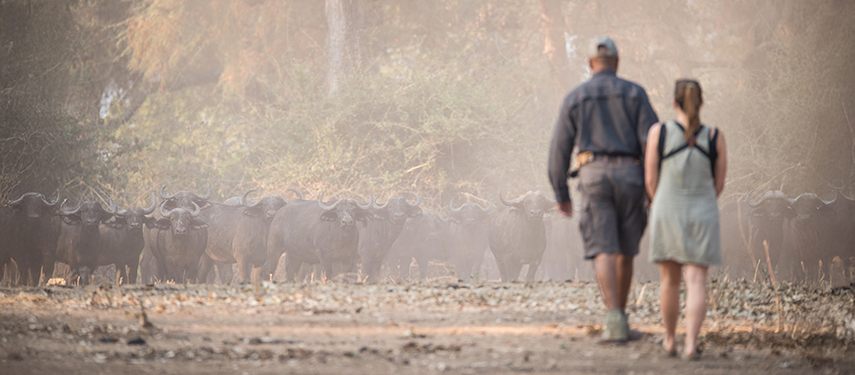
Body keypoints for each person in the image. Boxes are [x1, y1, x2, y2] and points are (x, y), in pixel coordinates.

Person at [548, 36, 659, 343]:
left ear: (589, 64)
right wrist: (654, 186)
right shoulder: (635, 93)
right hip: (632, 175)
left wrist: (561, 194)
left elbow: (559, 149)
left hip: (593, 176)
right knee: (625, 248)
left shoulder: (576, 97)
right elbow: (653, 143)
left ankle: (614, 321)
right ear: (618, 62)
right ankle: (621, 315)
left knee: (603, 246)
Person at [644, 79, 727, 360]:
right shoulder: (716, 136)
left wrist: (661, 203)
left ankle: (669, 340)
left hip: (667, 211)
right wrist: (700, 203)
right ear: (701, 103)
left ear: (674, 103)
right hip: (703, 213)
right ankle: (691, 344)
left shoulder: (659, 132)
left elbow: (650, 179)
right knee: (696, 282)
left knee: (669, 282)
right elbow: (718, 184)